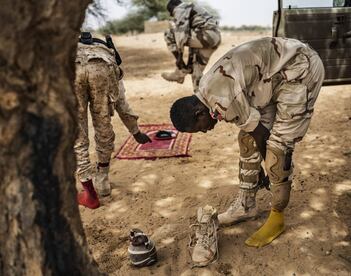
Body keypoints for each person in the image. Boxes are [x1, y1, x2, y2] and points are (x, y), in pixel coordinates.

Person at [170, 37, 325, 251]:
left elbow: (262, 134)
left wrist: (266, 169)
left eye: (201, 128)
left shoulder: (222, 100)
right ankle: (246, 205)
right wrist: (258, 171)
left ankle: (277, 218)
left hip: (300, 70)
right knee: (247, 138)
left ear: (199, 113)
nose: (206, 130)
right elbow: (253, 131)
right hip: (272, 77)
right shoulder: (205, 90)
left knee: (277, 151)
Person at [74, 32, 151, 209]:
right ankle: (102, 181)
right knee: (103, 125)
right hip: (103, 66)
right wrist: (135, 131)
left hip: (72, 67)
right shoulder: (109, 53)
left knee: (78, 133)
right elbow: (121, 103)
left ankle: (89, 193)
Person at [161, 0, 221, 91]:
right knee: (196, 70)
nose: (172, 16)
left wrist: (179, 58)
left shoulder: (180, 9)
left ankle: (180, 70)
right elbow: (190, 36)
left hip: (206, 35)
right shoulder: (191, 8)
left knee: (169, 33)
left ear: (172, 8)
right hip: (214, 37)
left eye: (171, 13)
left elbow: (180, 34)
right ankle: (200, 99)